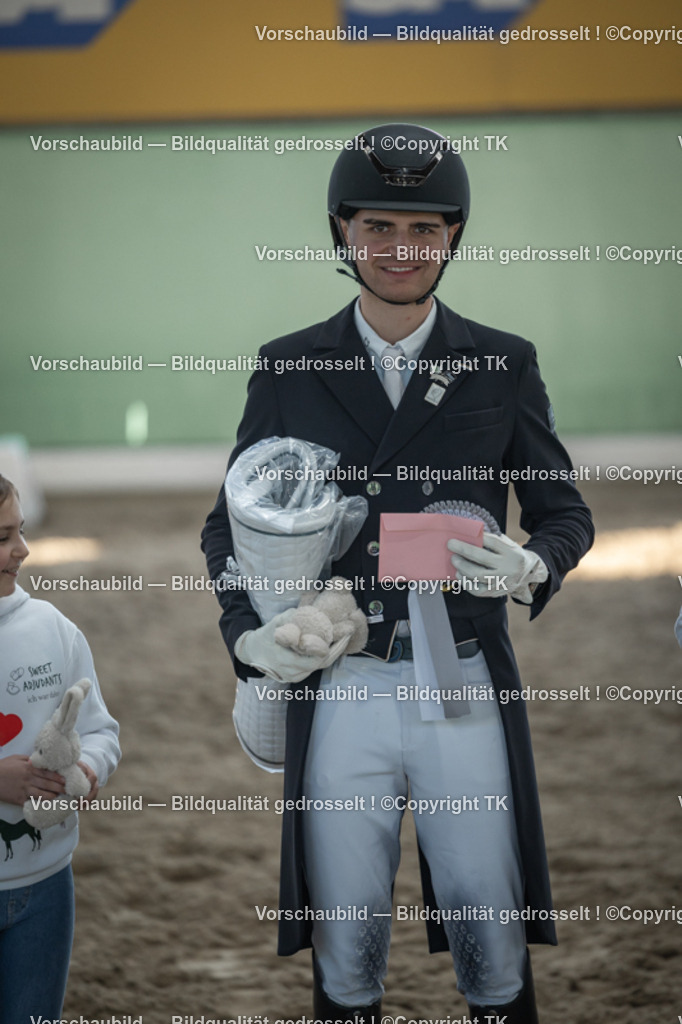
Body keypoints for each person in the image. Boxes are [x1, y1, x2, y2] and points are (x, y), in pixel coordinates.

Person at [202, 123, 594, 1021]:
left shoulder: (504, 362)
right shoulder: (288, 366)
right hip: (342, 685)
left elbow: (565, 513)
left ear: (452, 236)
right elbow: (227, 525)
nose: (401, 248)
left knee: (492, 940)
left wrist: (534, 562)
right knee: (348, 948)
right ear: (343, 232)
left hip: (461, 680)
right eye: (378, 226)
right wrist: (248, 636)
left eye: (423, 229)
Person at [0, 473, 121, 1020]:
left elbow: (101, 731)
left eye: (20, 531)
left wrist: (89, 770)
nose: (22, 548)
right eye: (2, 537)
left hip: (47, 890)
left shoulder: (52, 628)